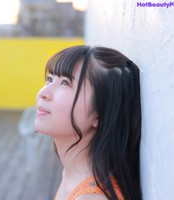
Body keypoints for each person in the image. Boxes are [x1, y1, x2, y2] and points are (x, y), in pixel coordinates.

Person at [34, 45, 142, 200]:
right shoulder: (73, 174)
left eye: (65, 83)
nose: (43, 93)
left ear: (99, 114)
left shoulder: (91, 197)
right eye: (49, 79)